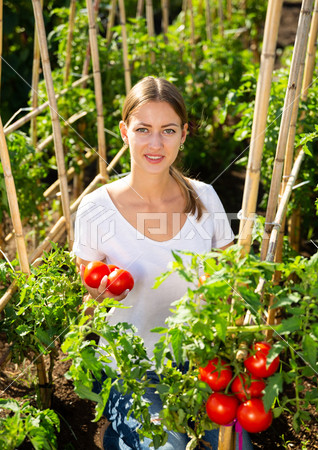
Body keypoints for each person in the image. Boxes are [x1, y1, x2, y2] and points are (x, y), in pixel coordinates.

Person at [73, 76, 253, 450]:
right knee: (166, 447)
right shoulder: (96, 209)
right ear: (125, 132)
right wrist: (96, 293)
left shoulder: (204, 198)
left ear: (184, 134)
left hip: (203, 361)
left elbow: (234, 280)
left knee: (235, 447)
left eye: (168, 130)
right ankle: (116, 432)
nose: (155, 143)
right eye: (143, 129)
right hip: (133, 368)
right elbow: (88, 296)